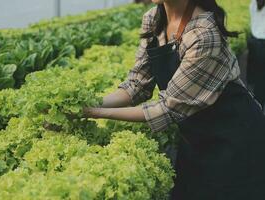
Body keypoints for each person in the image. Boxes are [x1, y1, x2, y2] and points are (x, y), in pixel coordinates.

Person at [83, 0, 265, 199]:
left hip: (234, 139)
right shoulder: (154, 18)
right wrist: (90, 103)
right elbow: (137, 85)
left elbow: (169, 108)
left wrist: (95, 113)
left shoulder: (203, 33)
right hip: (196, 138)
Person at [247, 0, 265, 111]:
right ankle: (258, 102)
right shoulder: (254, 4)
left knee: (256, 75)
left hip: (255, 41)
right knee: (260, 76)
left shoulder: (253, 4)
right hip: (259, 44)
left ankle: (256, 101)